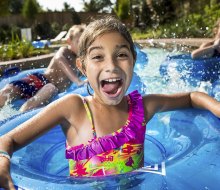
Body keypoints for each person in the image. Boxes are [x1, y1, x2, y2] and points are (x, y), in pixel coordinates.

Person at [1, 16, 220, 189]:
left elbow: (191, 97)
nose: (111, 65)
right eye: (98, 57)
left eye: (121, 55)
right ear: (83, 66)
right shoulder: (73, 108)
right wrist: (2, 158)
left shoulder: (143, 108)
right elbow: (8, 139)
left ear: (133, 61)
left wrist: (216, 107)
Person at [0, 24, 86, 112]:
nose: (82, 46)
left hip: (50, 89)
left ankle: (20, 114)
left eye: (85, 43)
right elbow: (59, 59)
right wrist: (77, 81)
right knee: (10, 91)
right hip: (40, 80)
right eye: (79, 42)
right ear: (69, 41)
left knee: (51, 88)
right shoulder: (64, 51)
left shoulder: (79, 62)